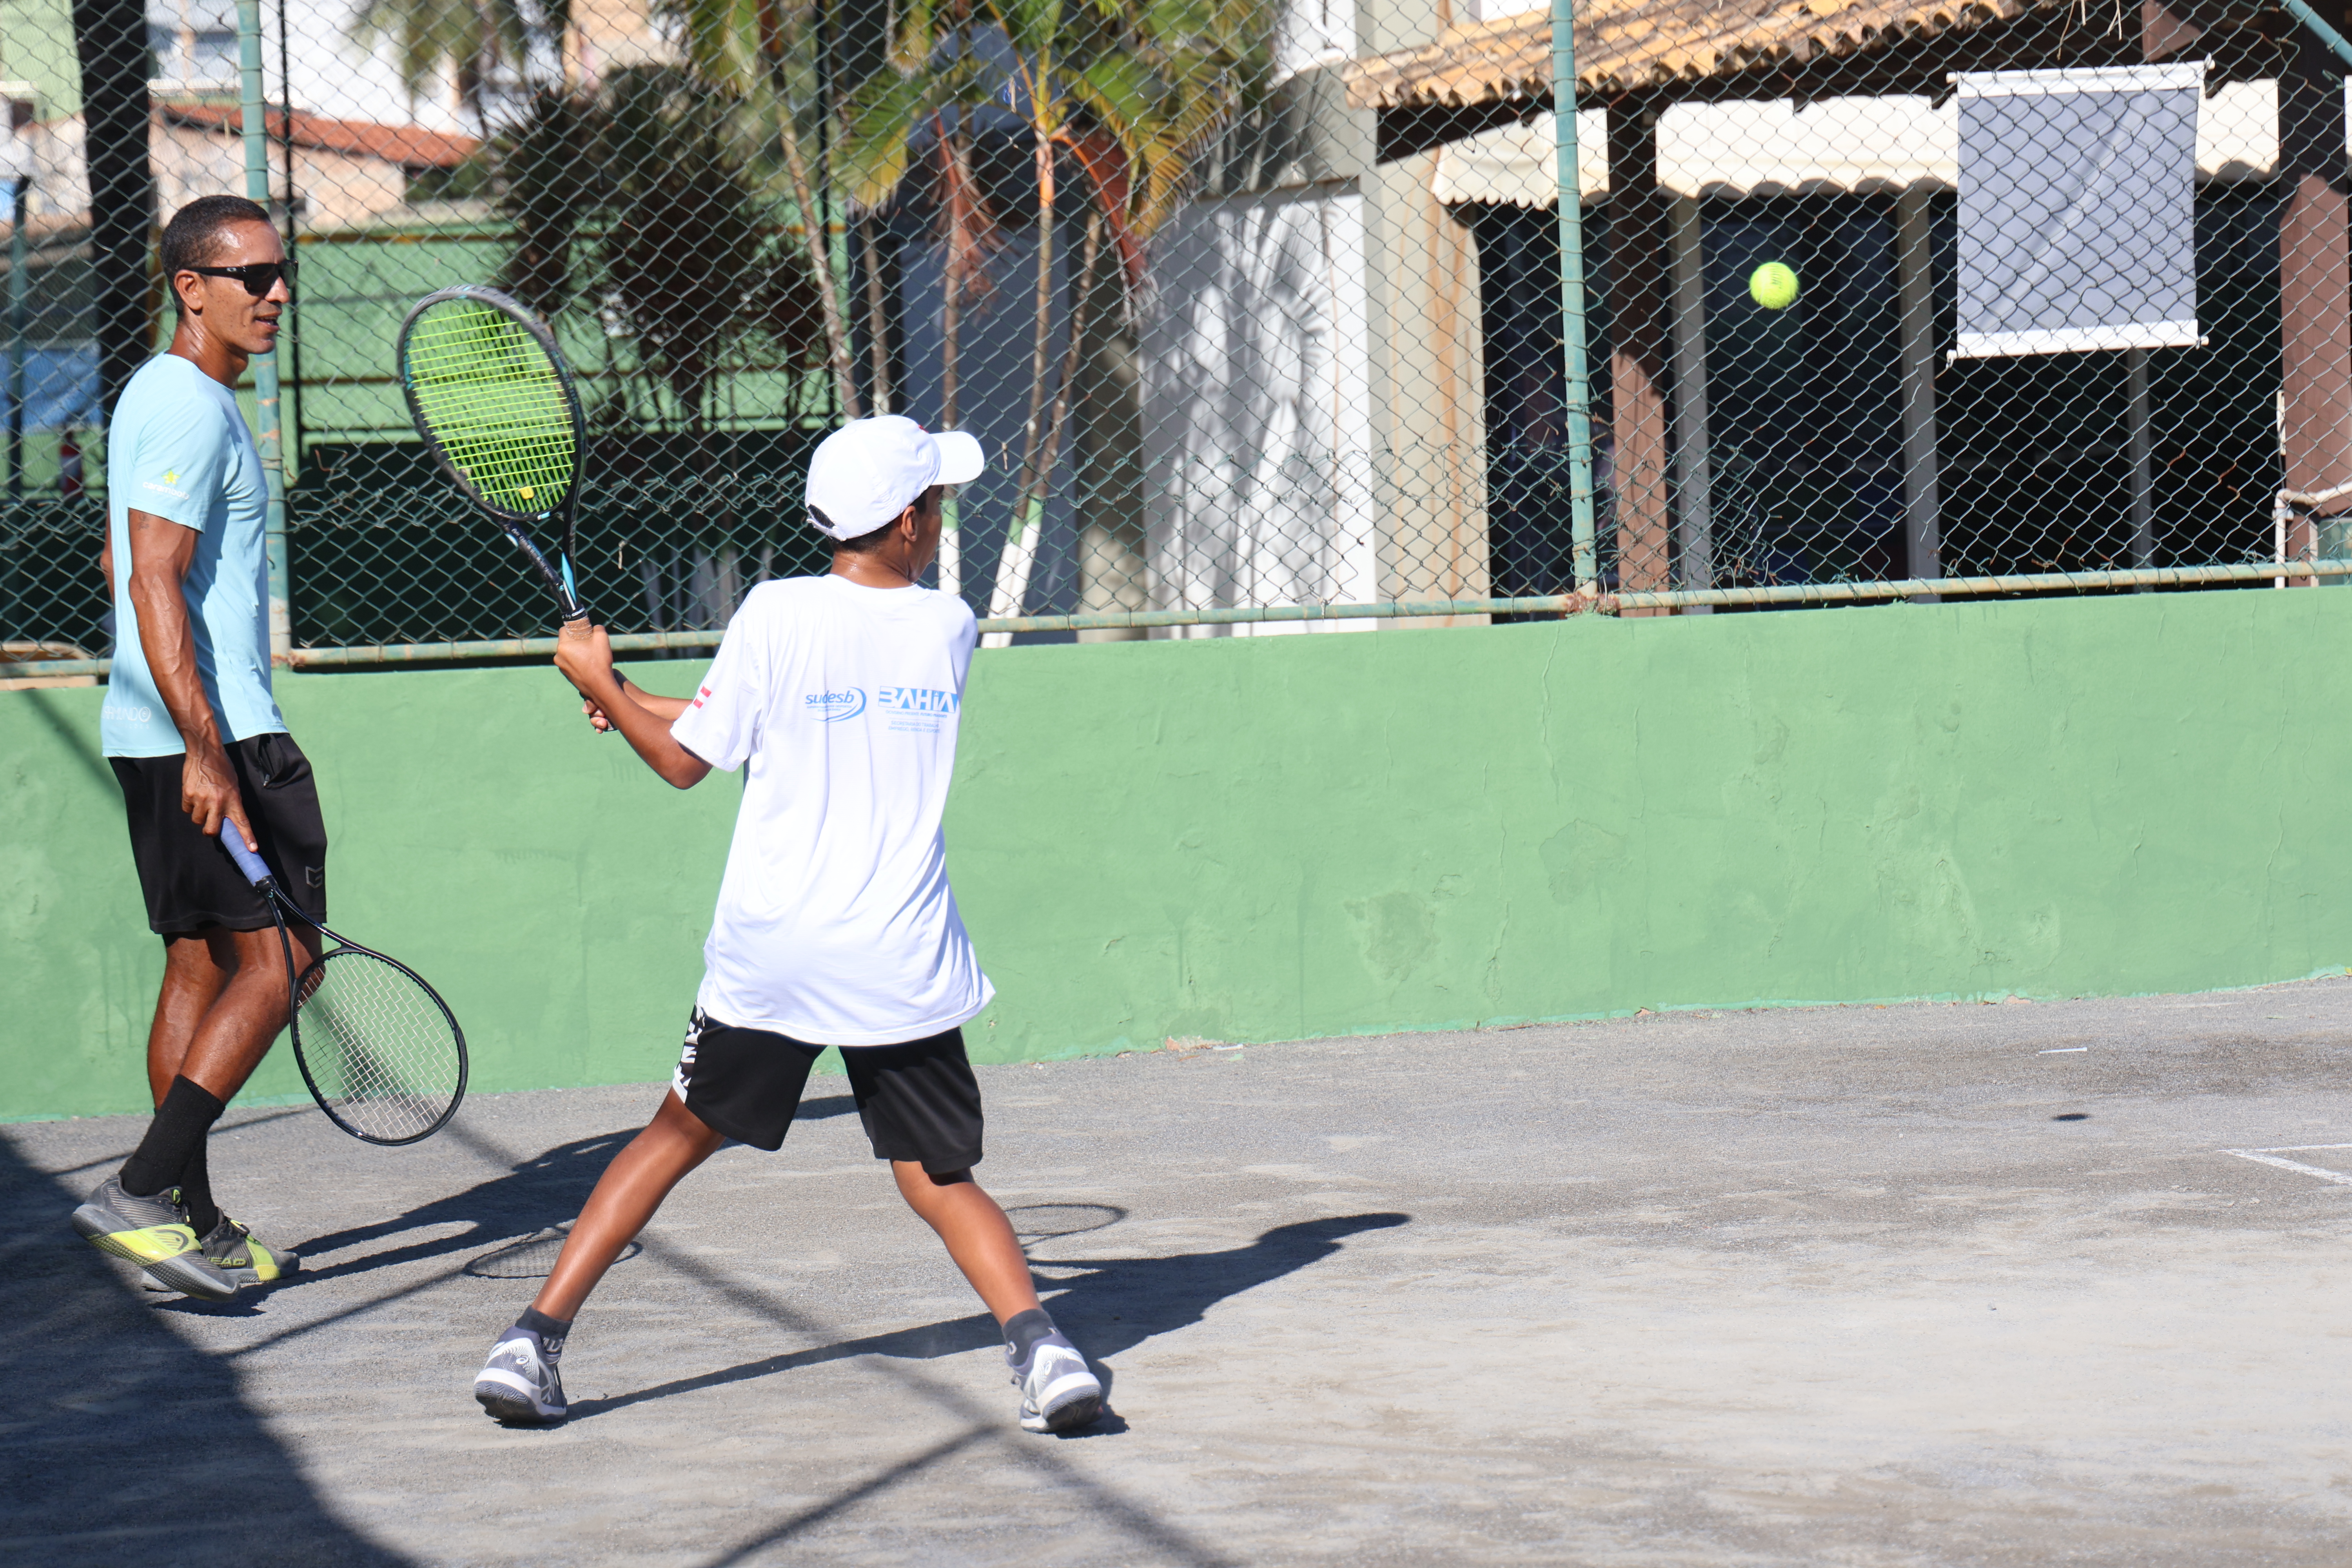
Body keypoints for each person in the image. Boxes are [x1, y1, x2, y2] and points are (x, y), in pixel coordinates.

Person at [469, 415, 1103, 1436]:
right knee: (942, 1179)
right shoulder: (950, 628)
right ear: (906, 522)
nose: (940, 519)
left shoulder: (773, 613)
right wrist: (625, 695)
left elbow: (694, 756)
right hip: (899, 955)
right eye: (936, 502)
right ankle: (1045, 1351)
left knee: (673, 1138)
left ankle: (531, 1341)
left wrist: (606, 686)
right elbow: (769, 720)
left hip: (778, 954)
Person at [72, 195, 312, 1302]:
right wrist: (207, 750)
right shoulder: (184, 406)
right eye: (251, 276)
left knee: (201, 964)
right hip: (208, 740)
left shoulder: (180, 399)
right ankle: (142, 1188)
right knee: (283, 962)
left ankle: (192, 1218)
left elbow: (138, 577)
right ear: (191, 287)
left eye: (280, 273)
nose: (274, 294)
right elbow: (153, 580)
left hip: (164, 731)